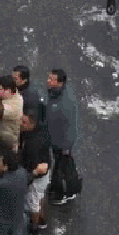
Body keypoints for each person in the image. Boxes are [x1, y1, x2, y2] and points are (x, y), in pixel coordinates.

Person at [45, 69, 80, 205]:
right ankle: (58, 188)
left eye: (51, 79)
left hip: (61, 143)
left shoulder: (62, 104)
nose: (48, 80)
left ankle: (62, 192)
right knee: (60, 165)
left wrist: (64, 147)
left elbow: (61, 126)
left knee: (61, 167)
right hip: (60, 141)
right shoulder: (62, 93)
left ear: (60, 83)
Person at [18, 110, 51, 235]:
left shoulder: (32, 144)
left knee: (33, 203)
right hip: (45, 173)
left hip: (37, 177)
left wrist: (28, 178)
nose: (21, 123)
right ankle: (42, 220)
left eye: (24, 122)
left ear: (32, 124)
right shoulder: (40, 132)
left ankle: (34, 230)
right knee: (40, 197)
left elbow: (32, 167)